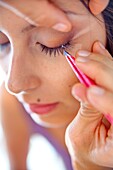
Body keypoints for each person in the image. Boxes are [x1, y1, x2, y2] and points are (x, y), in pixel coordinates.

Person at [0, 0, 113, 170]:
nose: (14, 84)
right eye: (2, 44)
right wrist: (87, 165)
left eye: (52, 44)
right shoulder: (12, 103)